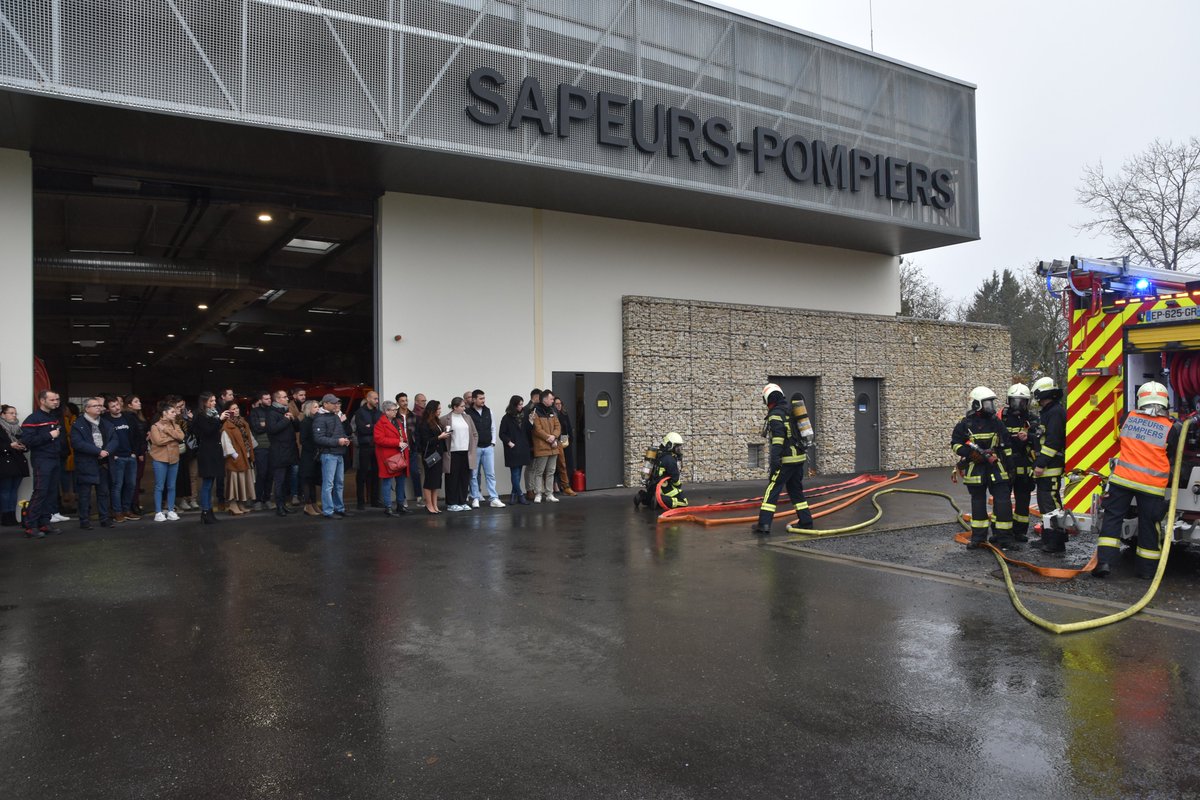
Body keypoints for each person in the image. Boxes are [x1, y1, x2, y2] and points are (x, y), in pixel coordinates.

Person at [1095, 381, 1180, 579]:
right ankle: (1146, 571)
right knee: (1149, 525)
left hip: (1123, 479)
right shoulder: (1171, 428)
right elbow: (1172, 454)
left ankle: (1105, 563)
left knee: (1112, 518)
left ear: (1140, 400)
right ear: (1165, 402)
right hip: (1152, 486)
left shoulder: (1127, 417)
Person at [951, 386, 1017, 550]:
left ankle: (1004, 539)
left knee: (1003, 502)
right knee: (978, 504)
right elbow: (955, 444)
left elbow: (1006, 446)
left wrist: (1010, 467)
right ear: (976, 404)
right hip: (976, 469)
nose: (991, 407)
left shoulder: (996, 422)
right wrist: (970, 453)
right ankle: (978, 538)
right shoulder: (964, 424)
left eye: (991, 403)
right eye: (987, 403)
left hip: (996, 466)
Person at [754, 384, 814, 536]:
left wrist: (775, 461)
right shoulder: (791, 411)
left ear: (769, 399)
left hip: (786, 460)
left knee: (772, 489)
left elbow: (778, 440)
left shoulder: (776, 414)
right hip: (799, 458)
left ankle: (764, 524)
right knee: (796, 491)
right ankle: (806, 522)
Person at [1030, 376, 1068, 553]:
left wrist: (1041, 464)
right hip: (1047, 466)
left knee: (1051, 506)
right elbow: (1042, 438)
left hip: (1050, 467)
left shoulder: (1055, 412)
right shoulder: (1048, 412)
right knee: (1046, 505)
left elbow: (1053, 442)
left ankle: (1056, 543)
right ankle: (1047, 537)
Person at [21, 389, 65, 538]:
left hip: (54, 458)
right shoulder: (32, 419)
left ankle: (45, 523)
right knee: (40, 491)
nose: (56, 402)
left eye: (57, 399)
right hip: (42, 459)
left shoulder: (54, 417)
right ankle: (30, 525)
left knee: (51, 493)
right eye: (52, 400)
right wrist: (48, 435)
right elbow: (27, 441)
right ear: (42, 401)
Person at [70, 397, 117, 531]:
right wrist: (98, 451)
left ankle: (105, 519)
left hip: (103, 463)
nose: (99, 408)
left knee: (103, 493)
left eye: (99, 406)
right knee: (84, 494)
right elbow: (77, 443)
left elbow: (115, 439)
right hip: (86, 463)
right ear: (86, 409)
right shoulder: (78, 424)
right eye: (95, 405)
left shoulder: (106, 423)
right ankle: (84, 520)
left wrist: (107, 451)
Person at [1000, 383, 1037, 544]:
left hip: (1024, 467)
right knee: (1002, 500)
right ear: (1009, 400)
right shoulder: (1001, 418)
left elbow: (1039, 441)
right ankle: (1001, 531)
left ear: (1027, 402)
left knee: (1023, 501)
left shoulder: (1033, 420)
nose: (1017, 405)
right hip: (1005, 466)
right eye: (1014, 401)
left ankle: (1020, 532)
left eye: (1021, 402)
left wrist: (1029, 437)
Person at [191, 392, 229, 525]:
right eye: (211, 401)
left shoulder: (212, 414)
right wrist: (219, 420)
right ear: (204, 402)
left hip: (215, 450)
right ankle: (206, 511)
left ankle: (209, 511)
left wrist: (219, 419)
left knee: (211, 482)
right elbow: (207, 431)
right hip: (207, 452)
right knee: (207, 484)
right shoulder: (200, 415)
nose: (214, 403)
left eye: (214, 400)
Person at [312, 394, 351, 518]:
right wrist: (337, 441)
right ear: (325, 404)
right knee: (329, 484)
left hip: (338, 453)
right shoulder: (319, 419)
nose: (336, 405)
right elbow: (318, 439)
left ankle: (339, 508)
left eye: (337, 403)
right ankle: (329, 511)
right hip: (329, 454)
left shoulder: (334, 416)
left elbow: (340, 432)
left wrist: (345, 438)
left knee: (339, 483)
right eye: (333, 403)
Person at [466, 389, 505, 508]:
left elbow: (493, 427)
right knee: (473, 474)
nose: (483, 400)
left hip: (488, 447)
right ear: (473, 399)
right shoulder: (467, 413)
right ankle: (475, 498)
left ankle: (494, 498)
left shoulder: (488, 411)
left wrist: (493, 442)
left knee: (490, 474)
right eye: (480, 398)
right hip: (474, 448)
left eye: (484, 398)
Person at [148, 401, 184, 522]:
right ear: (165, 413)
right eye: (172, 412)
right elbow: (158, 441)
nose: (175, 414)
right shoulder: (155, 426)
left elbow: (181, 437)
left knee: (171, 486)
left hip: (174, 458)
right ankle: (158, 512)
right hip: (160, 459)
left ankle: (170, 510)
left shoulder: (175, 425)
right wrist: (173, 438)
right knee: (159, 486)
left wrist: (168, 432)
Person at [106, 396, 140, 522]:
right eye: (113, 406)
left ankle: (127, 510)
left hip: (130, 456)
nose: (117, 407)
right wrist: (111, 454)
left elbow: (137, 435)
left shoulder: (128, 417)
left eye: (117, 404)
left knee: (131, 484)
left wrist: (134, 452)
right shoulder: (106, 421)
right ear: (108, 409)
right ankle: (117, 512)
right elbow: (104, 439)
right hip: (117, 457)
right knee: (117, 485)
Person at [373, 400, 410, 516]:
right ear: (386, 411)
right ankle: (388, 507)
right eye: (393, 410)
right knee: (387, 482)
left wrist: (404, 442)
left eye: (395, 409)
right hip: (387, 457)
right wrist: (397, 443)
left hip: (399, 455)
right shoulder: (380, 423)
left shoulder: (397, 422)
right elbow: (379, 439)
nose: (395, 412)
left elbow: (403, 436)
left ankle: (400, 505)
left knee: (400, 481)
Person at [635, 431, 689, 511]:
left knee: (653, 498)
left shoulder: (658, 454)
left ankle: (643, 496)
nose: (679, 450)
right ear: (670, 445)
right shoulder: (670, 459)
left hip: (652, 487)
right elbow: (675, 479)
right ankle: (660, 500)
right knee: (684, 501)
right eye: (677, 447)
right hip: (663, 488)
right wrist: (678, 486)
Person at [441, 397, 478, 512]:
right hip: (452, 453)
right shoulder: (445, 419)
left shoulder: (467, 417)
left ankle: (462, 501)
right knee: (452, 478)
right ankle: (451, 503)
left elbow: (474, 433)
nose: (464, 408)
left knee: (464, 477)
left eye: (464, 406)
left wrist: (473, 447)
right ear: (454, 407)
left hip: (466, 452)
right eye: (461, 406)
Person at [267, 389, 299, 517]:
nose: (287, 399)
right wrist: (286, 420)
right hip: (279, 451)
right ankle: (279, 506)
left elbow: (297, 428)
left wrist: (293, 419)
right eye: (284, 397)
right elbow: (272, 429)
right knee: (279, 480)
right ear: (277, 399)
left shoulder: (286, 411)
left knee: (286, 480)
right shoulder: (272, 413)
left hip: (290, 450)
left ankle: (284, 504)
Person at [220, 401, 256, 515]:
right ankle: (233, 505)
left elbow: (249, 437)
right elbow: (226, 441)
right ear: (228, 411)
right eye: (233, 409)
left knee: (243, 482)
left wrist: (250, 451)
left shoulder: (243, 422)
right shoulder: (227, 425)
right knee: (234, 482)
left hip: (246, 455)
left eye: (237, 408)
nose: (236, 410)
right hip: (235, 458)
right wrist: (235, 455)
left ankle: (241, 503)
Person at [417, 400, 450, 514]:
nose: (440, 411)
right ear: (432, 410)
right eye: (438, 409)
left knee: (436, 481)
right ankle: (429, 504)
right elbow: (425, 441)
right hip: (430, 455)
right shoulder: (424, 423)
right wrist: (439, 437)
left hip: (438, 454)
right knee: (429, 480)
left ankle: (435, 504)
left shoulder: (436, 421)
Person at [529, 390, 561, 503]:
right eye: (551, 399)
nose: (553, 401)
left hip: (553, 447)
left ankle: (549, 494)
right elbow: (537, 429)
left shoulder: (552, 411)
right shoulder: (535, 411)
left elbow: (558, 426)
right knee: (539, 471)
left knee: (551, 471)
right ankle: (538, 493)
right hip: (542, 446)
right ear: (545, 399)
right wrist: (549, 438)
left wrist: (554, 436)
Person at [498, 395, 531, 506]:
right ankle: (520, 495)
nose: (522, 406)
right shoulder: (506, 418)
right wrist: (509, 442)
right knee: (515, 473)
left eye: (522, 404)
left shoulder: (525, 416)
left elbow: (529, 431)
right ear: (514, 405)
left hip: (522, 448)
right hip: (512, 448)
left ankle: (513, 495)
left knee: (518, 473)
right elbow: (501, 433)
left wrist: (532, 422)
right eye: (520, 404)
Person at [0, 404, 29, 527]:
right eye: (11, 413)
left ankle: (12, 516)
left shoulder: (18, 428)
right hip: (4, 463)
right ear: (3, 414)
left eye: (15, 413)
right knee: (6, 491)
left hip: (17, 462)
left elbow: (24, 442)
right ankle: (5, 517)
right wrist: (9, 446)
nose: (14, 415)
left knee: (13, 490)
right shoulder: (1, 428)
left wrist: (23, 446)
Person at [354, 390, 382, 510]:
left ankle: (374, 500)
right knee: (362, 474)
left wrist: (371, 426)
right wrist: (374, 427)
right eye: (375, 399)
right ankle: (360, 502)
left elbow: (381, 429)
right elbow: (361, 430)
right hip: (365, 446)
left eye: (377, 399)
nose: (377, 401)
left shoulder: (379, 413)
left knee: (376, 473)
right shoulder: (360, 412)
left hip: (376, 446)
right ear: (368, 398)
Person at [248, 391, 273, 511]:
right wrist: (268, 425)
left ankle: (267, 498)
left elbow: (275, 427)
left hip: (273, 446)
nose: (269, 400)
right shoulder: (255, 412)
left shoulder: (273, 411)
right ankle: (257, 499)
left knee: (270, 474)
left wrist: (265, 424)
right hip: (260, 447)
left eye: (270, 398)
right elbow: (256, 428)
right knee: (262, 473)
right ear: (260, 400)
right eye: (266, 399)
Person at [125, 395, 148, 516]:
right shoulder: (129, 417)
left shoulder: (138, 416)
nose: (139, 403)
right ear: (129, 405)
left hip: (141, 449)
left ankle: (135, 503)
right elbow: (133, 436)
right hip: (137, 451)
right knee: (134, 479)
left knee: (137, 479)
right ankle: (132, 504)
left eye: (139, 400)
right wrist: (138, 452)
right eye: (136, 401)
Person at [298, 399, 321, 516]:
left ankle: (314, 503)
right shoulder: (305, 422)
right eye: (315, 407)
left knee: (313, 480)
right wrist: (314, 449)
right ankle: (307, 504)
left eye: (318, 406)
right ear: (309, 409)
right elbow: (303, 440)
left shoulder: (317, 420)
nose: (318, 409)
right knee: (307, 479)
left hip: (316, 455)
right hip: (308, 455)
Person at [396, 393, 419, 510]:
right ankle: (402, 498)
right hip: (399, 450)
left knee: (415, 472)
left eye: (406, 400)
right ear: (398, 403)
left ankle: (419, 497)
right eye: (402, 401)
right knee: (401, 475)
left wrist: (416, 445)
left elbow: (417, 432)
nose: (405, 402)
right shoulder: (395, 416)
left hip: (411, 448)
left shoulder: (413, 415)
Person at [552, 396, 578, 497]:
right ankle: (556, 485)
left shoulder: (564, 414)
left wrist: (570, 439)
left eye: (560, 404)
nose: (558, 405)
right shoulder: (553, 415)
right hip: (556, 441)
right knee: (557, 465)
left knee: (567, 463)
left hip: (565, 440)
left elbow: (568, 428)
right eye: (556, 404)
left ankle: (566, 485)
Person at [287, 387, 307, 505]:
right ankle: (294, 494)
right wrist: (303, 414)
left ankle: (303, 493)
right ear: (294, 396)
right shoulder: (291, 406)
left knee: (303, 470)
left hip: (304, 443)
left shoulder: (306, 406)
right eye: (300, 395)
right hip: (294, 443)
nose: (303, 397)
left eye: (304, 394)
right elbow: (295, 423)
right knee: (295, 470)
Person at [523, 388, 543, 500]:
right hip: (531, 442)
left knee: (535, 467)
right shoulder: (529, 409)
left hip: (535, 442)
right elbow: (527, 428)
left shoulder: (535, 409)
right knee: (531, 467)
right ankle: (530, 490)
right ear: (535, 397)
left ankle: (535, 489)